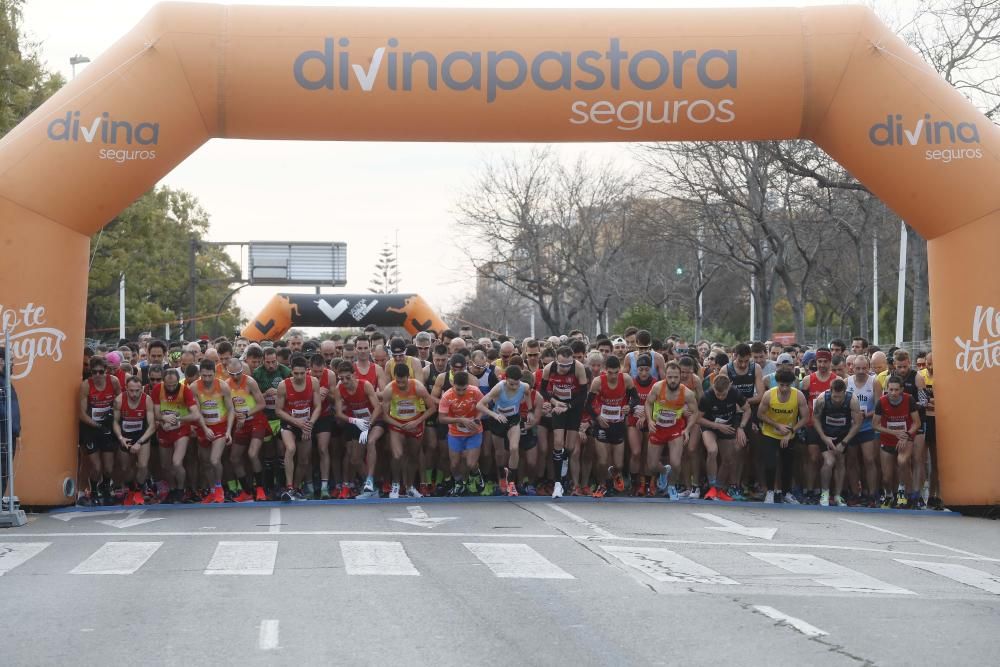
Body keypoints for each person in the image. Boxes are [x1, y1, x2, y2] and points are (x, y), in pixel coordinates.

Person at [540, 346, 590, 498]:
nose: (564, 368)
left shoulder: (579, 368)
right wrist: (555, 402)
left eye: (568, 365)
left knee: (569, 447)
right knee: (558, 442)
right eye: (562, 365)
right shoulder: (549, 368)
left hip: (573, 406)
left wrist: (568, 406)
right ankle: (557, 483)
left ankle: (564, 459)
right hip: (558, 405)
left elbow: (583, 394)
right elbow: (542, 390)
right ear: (556, 360)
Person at [380, 363, 435, 498]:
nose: (400, 384)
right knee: (397, 455)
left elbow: (432, 408)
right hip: (397, 424)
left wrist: (417, 421)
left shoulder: (417, 387)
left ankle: (410, 486)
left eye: (403, 381)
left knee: (413, 456)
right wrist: (399, 425)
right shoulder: (389, 389)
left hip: (415, 423)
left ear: (408, 377)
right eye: (397, 381)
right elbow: (384, 415)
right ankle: (396, 485)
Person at [645, 362, 698, 500]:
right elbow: (648, 403)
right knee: (651, 466)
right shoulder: (657, 387)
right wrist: (650, 420)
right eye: (669, 377)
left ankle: (672, 486)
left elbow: (695, 413)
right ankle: (663, 471)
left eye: (675, 377)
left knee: (676, 462)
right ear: (665, 376)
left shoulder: (687, 393)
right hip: (658, 428)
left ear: (680, 376)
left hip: (675, 429)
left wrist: (687, 430)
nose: (673, 380)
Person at [477, 364, 533, 496]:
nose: (514, 387)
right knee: (500, 453)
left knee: (514, 448)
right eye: (512, 384)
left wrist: (530, 411)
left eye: (517, 384)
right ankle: (502, 476)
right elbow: (480, 405)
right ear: (506, 379)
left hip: (513, 420)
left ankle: (512, 483)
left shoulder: (524, 387)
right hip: (498, 421)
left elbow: (528, 395)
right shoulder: (499, 388)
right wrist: (495, 415)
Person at [756, 369, 810, 504]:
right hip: (770, 433)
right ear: (777, 383)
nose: (784, 388)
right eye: (781, 385)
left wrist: (792, 431)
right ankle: (769, 492)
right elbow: (760, 414)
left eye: (787, 385)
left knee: (788, 464)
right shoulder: (769, 395)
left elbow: (805, 417)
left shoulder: (798, 396)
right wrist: (776, 425)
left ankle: (787, 493)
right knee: (770, 463)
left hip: (789, 434)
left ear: (792, 384)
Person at [585, 355, 635, 497]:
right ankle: (602, 485)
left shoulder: (626, 379)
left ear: (619, 370)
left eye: (615, 372)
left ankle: (614, 477)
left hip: (618, 424)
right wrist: (597, 417)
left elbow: (635, 398)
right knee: (602, 460)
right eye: (610, 373)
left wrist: (628, 406)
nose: (613, 376)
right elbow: (588, 405)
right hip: (602, 424)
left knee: (618, 464)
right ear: (604, 370)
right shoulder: (597, 382)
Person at [334, 360, 385, 499]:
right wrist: (354, 420)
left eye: (347, 377)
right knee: (355, 459)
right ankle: (371, 488)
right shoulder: (339, 390)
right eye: (341, 378)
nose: (344, 381)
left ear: (354, 375)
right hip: (357, 423)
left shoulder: (365, 385)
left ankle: (369, 481)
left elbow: (378, 407)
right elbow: (339, 413)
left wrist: (368, 425)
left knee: (371, 442)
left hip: (374, 421)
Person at [696, 374, 750, 501]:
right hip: (710, 425)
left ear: (729, 388)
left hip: (727, 425)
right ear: (713, 388)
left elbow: (747, 410)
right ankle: (712, 486)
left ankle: (718, 488)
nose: (720, 397)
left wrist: (741, 427)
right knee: (712, 450)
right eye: (717, 394)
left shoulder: (734, 393)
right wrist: (716, 426)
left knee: (729, 459)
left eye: (723, 394)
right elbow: (698, 419)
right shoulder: (707, 396)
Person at [275, 355, 321, 501]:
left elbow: (318, 405)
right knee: (290, 448)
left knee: (303, 460)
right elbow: (278, 410)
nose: (300, 376)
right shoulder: (283, 385)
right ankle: (288, 486)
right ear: (291, 372)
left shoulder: (313, 382)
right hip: (290, 423)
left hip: (306, 423)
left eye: (302, 373)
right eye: (296, 373)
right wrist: (295, 422)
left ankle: (295, 488)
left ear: (307, 371)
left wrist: (310, 424)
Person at [152, 368, 201, 503]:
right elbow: (155, 412)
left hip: (181, 429)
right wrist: (164, 419)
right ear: (163, 382)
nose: (172, 387)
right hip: (164, 429)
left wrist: (178, 421)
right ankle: (172, 489)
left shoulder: (185, 390)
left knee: (177, 462)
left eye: (174, 384)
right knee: (165, 465)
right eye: (169, 385)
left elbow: (195, 414)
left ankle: (181, 489)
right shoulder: (157, 389)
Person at [190, 359, 236, 504]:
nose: (207, 379)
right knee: (205, 463)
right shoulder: (194, 387)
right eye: (204, 376)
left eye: (210, 376)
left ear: (214, 374)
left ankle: (219, 487)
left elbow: (230, 409)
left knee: (214, 460)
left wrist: (228, 431)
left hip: (220, 426)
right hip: (203, 425)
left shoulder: (223, 386)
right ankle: (211, 490)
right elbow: (196, 411)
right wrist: (204, 428)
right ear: (200, 374)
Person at [872, 375, 922, 509]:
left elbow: (917, 423)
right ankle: (889, 495)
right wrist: (894, 433)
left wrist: (906, 435)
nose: (893, 393)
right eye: (890, 390)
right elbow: (875, 425)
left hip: (905, 438)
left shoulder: (909, 400)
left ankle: (904, 493)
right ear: (887, 389)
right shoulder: (881, 402)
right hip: (888, 440)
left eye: (896, 390)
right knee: (886, 478)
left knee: (902, 461)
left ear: (901, 389)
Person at [812, 378, 863, 507]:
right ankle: (824, 493)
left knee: (840, 461)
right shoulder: (822, 399)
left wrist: (844, 442)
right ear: (830, 391)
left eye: (840, 397)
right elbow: (815, 419)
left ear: (845, 392)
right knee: (829, 462)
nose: (837, 400)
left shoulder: (853, 400)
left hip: (842, 434)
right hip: (826, 433)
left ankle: (838, 495)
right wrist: (823, 437)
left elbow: (857, 423)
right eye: (834, 396)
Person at [78, 356, 122, 505]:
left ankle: (105, 487)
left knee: (109, 468)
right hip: (91, 427)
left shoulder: (113, 381)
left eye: (100, 372)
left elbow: (120, 400)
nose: (97, 375)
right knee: (96, 467)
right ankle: (94, 490)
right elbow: (81, 414)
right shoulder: (86, 385)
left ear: (106, 371)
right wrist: (97, 425)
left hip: (107, 425)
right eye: (94, 372)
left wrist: (113, 415)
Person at [438, 370, 486, 496]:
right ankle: (459, 483)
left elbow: (483, 407)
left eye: (463, 389)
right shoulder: (447, 396)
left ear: (467, 385)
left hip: (474, 432)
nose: (460, 392)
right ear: (453, 384)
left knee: (470, 463)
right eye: (458, 389)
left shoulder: (475, 391)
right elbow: (441, 418)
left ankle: (476, 473)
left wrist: (477, 419)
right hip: (455, 433)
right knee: (454, 464)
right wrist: (459, 420)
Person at [226, 357, 268, 502]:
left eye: (238, 373)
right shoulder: (226, 385)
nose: (235, 377)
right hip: (241, 424)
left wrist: (245, 414)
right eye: (232, 374)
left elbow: (262, 403)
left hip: (256, 420)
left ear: (242, 370)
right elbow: (228, 408)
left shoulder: (249, 381)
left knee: (252, 454)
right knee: (234, 458)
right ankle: (246, 491)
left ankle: (260, 489)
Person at [112, 376, 157, 505]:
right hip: (125, 436)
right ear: (126, 388)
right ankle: (131, 490)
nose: (134, 394)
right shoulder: (119, 400)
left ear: (142, 388)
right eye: (131, 390)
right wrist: (121, 438)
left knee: (143, 465)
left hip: (142, 436)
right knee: (126, 467)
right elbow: (115, 422)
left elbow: (152, 426)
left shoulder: (147, 400)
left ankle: (138, 491)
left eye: (137, 390)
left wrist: (139, 442)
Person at [0, 348, 21, 504]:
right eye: (10, 359)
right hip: (2, 433)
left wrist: (16, 430)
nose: (13, 363)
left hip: (9, 433)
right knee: (2, 469)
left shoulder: (6, 381)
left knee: (5, 470)